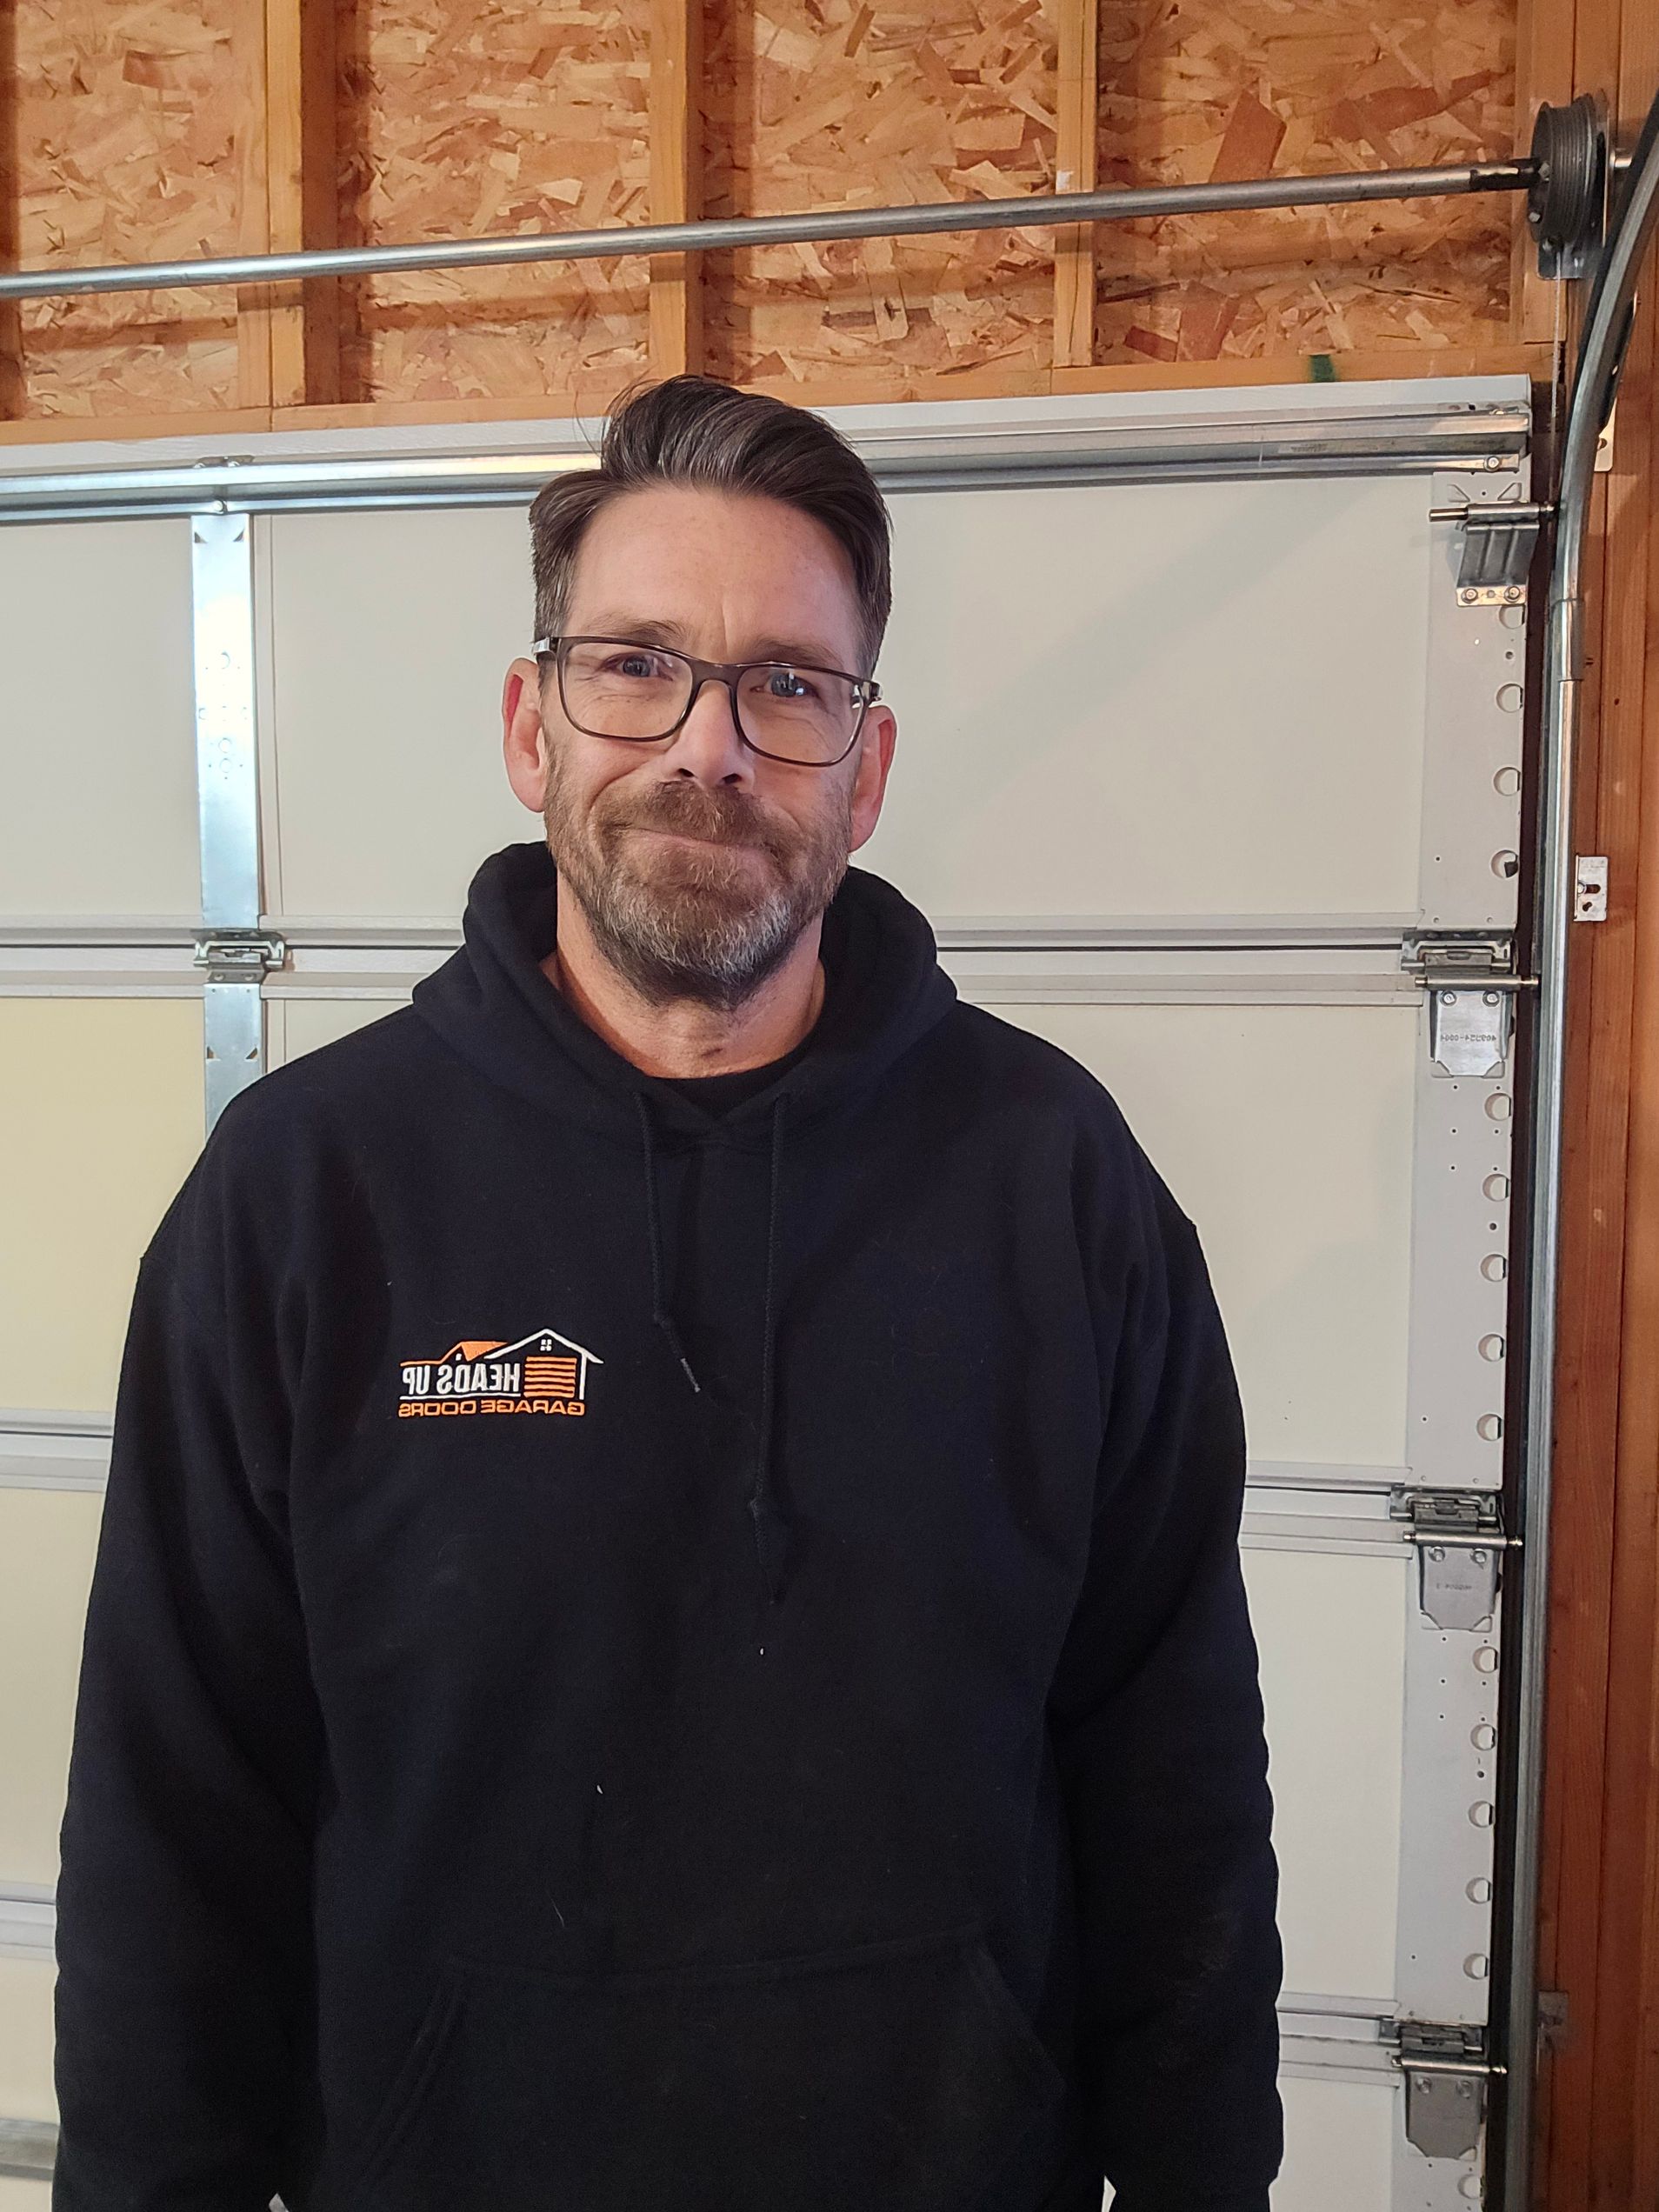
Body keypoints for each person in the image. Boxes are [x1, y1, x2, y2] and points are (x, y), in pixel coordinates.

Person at [52, 373, 1283, 2212]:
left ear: (864, 770)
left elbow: (1174, 1786)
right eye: (637, 663)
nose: (710, 745)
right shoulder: (304, 1201)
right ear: (531, 726)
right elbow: (173, 1831)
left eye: (789, 683)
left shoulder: (1057, 1185)